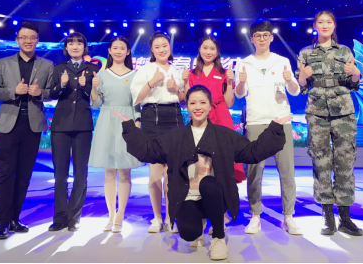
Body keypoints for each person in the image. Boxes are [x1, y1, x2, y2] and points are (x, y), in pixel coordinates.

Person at [113, 85, 289, 261]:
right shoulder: (175, 136)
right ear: (187, 106)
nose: (198, 107)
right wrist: (130, 129)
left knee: (208, 183)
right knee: (188, 234)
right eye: (193, 103)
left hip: (216, 196)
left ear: (210, 105)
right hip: (188, 197)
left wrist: (274, 129)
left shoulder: (224, 135)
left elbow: (252, 152)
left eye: (203, 102)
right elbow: (150, 151)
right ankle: (199, 222)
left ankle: (218, 237)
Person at [296, 10, 363, 236]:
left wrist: (356, 73)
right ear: (314, 25)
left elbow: (353, 85)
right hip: (317, 113)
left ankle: (345, 217)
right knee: (321, 163)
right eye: (320, 22)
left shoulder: (345, 51)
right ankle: (327, 217)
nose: (325, 25)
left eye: (329, 22)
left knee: (345, 162)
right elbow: (302, 86)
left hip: (343, 112)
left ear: (334, 25)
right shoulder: (305, 53)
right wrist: (303, 77)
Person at [235, 20, 302, 236]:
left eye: (266, 35)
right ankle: (255, 216)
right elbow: (238, 94)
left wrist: (290, 81)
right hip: (255, 121)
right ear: (252, 39)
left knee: (287, 170)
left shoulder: (282, 61)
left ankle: (289, 216)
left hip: (280, 120)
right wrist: (241, 82)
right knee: (254, 171)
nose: (262, 38)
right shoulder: (244, 63)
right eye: (258, 35)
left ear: (271, 37)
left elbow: (295, 91)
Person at [0, 21, 54, 240]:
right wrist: (13, 91)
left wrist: (40, 93)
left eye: (32, 38)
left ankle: (14, 218)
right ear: (17, 40)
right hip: (9, 123)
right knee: (5, 172)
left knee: (24, 174)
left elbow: (51, 92)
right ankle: (2, 221)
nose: (28, 41)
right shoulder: (3, 63)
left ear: (37, 40)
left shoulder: (46, 65)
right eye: (24, 37)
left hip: (33, 124)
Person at [130, 32, 185, 233]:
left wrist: (177, 89)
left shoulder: (178, 71)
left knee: (171, 172)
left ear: (169, 47)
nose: (162, 49)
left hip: (174, 117)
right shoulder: (145, 70)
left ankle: (171, 217)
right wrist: (152, 81)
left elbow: (185, 101)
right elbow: (136, 98)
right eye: (157, 46)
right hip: (151, 117)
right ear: (152, 50)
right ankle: (157, 217)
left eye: (165, 45)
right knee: (155, 170)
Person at [89, 36, 143, 233]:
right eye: (115, 48)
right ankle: (111, 215)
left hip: (126, 121)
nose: (119, 51)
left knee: (125, 171)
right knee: (109, 172)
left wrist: (137, 121)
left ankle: (120, 215)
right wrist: (93, 87)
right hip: (107, 120)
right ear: (109, 51)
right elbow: (96, 104)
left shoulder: (136, 75)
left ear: (128, 52)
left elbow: (137, 102)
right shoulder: (101, 75)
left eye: (122, 48)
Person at [48, 32, 99, 233]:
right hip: (60, 125)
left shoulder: (93, 69)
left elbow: (96, 99)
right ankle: (59, 217)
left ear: (84, 47)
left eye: (79, 43)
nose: (75, 46)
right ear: (66, 47)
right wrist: (61, 84)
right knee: (60, 175)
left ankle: (74, 217)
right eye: (71, 43)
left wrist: (87, 87)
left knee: (80, 173)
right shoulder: (59, 68)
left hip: (83, 126)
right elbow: (51, 93)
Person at [182, 35, 246, 185]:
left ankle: (224, 195)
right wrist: (185, 82)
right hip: (200, 118)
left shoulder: (224, 73)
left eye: (212, 48)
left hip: (221, 116)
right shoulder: (191, 73)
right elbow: (187, 101)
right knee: (201, 158)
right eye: (205, 48)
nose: (208, 52)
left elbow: (229, 103)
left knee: (224, 156)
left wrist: (229, 82)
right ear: (199, 49)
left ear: (217, 52)